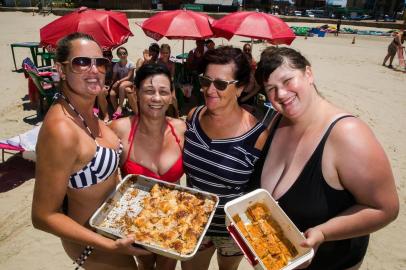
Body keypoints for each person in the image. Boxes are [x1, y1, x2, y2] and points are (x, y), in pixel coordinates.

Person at [252, 47, 399, 269]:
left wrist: (323, 233)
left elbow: (386, 209)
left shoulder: (348, 134)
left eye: (288, 80)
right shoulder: (276, 121)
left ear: (308, 74)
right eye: (271, 88)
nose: (281, 94)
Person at [31, 32, 150, 270]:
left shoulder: (86, 112)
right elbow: (42, 216)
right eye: (82, 62)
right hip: (93, 243)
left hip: (112, 228)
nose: (94, 70)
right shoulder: (61, 130)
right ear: (62, 70)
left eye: (101, 62)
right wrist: (110, 246)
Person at [181, 46, 269, 270]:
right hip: (193, 221)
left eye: (220, 84)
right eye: (205, 81)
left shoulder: (258, 136)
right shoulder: (193, 116)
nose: (209, 90)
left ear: (239, 88)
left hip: (233, 229)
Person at [110, 63, 186, 270]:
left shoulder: (181, 130)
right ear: (135, 93)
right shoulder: (119, 129)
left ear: (171, 96)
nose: (156, 98)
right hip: (134, 221)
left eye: (163, 92)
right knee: (144, 265)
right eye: (149, 91)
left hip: (173, 218)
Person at [109, 46, 138, 119]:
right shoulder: (116, 65)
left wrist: (118, 81)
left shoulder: (130, 64)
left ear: (127, 54)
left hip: (130, 82)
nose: (122, 55)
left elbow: (129, 77)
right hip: (121, 83)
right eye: (120, 54)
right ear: (118, 55)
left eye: (124, 53)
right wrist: (111, 84)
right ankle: (118, 112)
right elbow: (114, 77)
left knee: (122, 86)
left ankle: (120, 107)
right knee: (112, 93)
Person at [157, 44, 179, 117]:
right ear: (160, 53)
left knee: (173, 98)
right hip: (159, 83)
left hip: (169, 83)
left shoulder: (172, 64)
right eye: (163, 53)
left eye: (167, 53)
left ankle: (176, 112)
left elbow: (172, 76)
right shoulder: (157, 62)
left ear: (169, 53)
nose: (165, 54)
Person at [97, 49, 114, 123]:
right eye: (105, 55)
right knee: (101, 91)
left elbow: (115, 78)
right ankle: (105, 114)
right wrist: (103, 85)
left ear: (112, 56)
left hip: (113, 86)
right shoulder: (100, 66)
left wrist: (110, 85)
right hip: (102, 85)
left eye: (109, 55)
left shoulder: (115, 65)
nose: (107, 56)